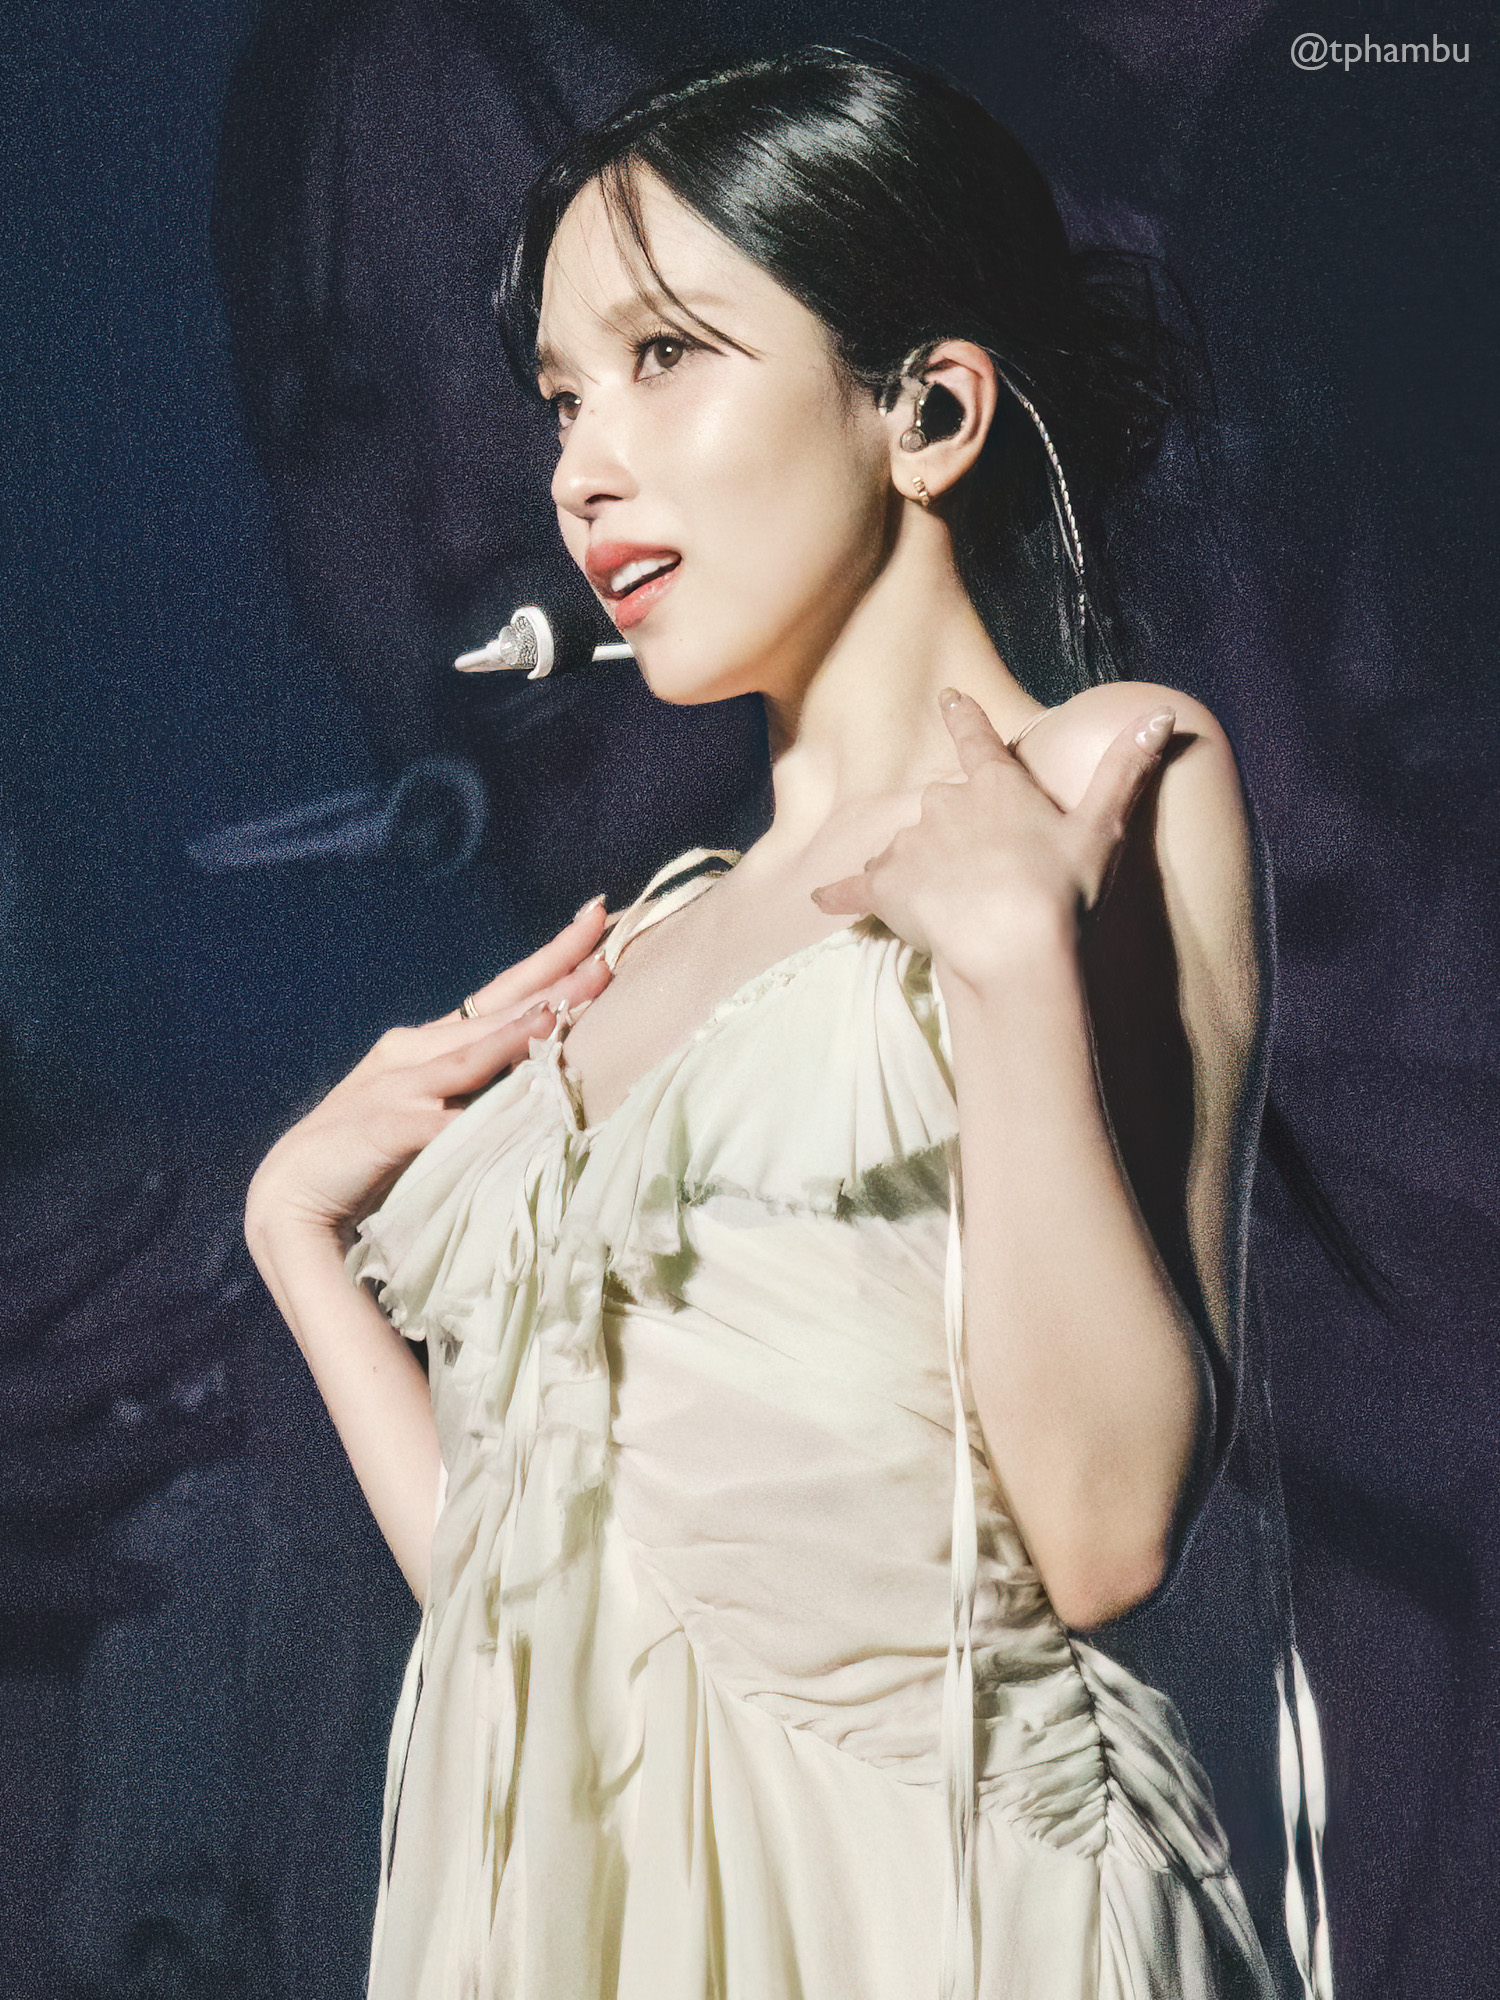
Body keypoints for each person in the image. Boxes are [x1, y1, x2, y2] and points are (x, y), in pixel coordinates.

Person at [245, 47, 1325, 2000]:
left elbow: (1102, 1532)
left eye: (664, 356)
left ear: (928, 407)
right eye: (563, 394)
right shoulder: (647, 945)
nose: (576, 470)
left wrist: (1008, 966)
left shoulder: (1110, 775)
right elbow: (539, 1624)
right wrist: (301, 1244)